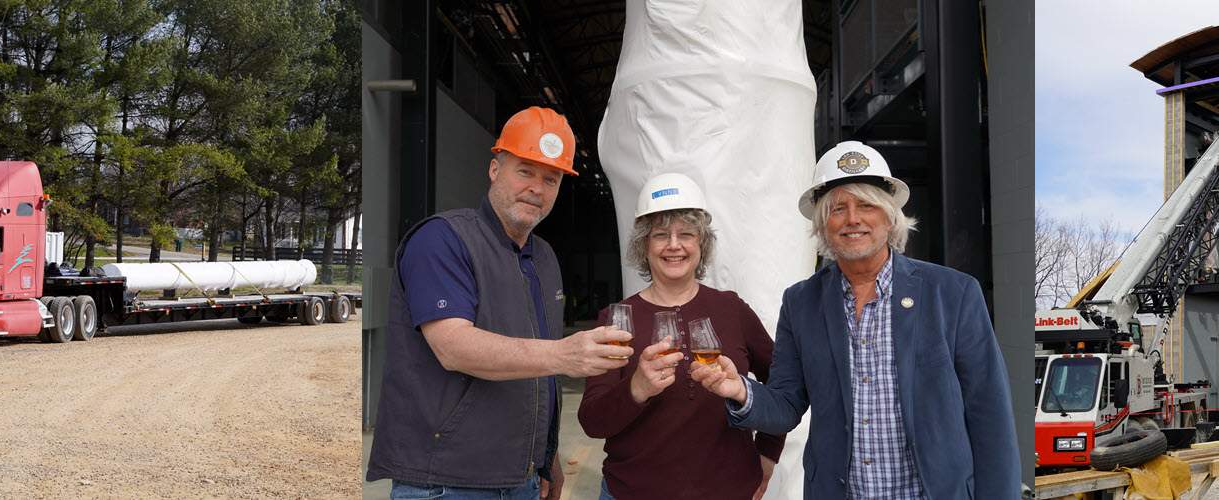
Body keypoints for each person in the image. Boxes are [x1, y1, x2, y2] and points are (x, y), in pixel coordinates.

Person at [691, 141, 1022, 499]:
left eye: (867, 205)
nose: (853, 219)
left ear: (889, 216)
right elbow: (787, 404)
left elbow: (990, 416)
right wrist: (740, 390)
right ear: (822, 224)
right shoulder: (801, 302)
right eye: (837, 209)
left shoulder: (953, 294)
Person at [368, 106, 634, 500]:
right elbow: (453, 347)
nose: (537, 189)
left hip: (521, 479)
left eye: (551, 178)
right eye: (524, 170)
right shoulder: (442, 239)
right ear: (495, 169)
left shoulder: (544, 259)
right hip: (446, 482)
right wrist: (566, 354)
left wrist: (547, 457)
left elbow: (535, 374)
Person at [578, 173, 785, 500]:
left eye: (686, 234)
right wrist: (636, 389)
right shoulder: (617, 319)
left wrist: (769, 451)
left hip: (728, 491)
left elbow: (784, 387)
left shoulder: (731, 309)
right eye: (660, 235)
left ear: (701, 244)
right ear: (644, 245)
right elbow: (592, 421)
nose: (674, 245)